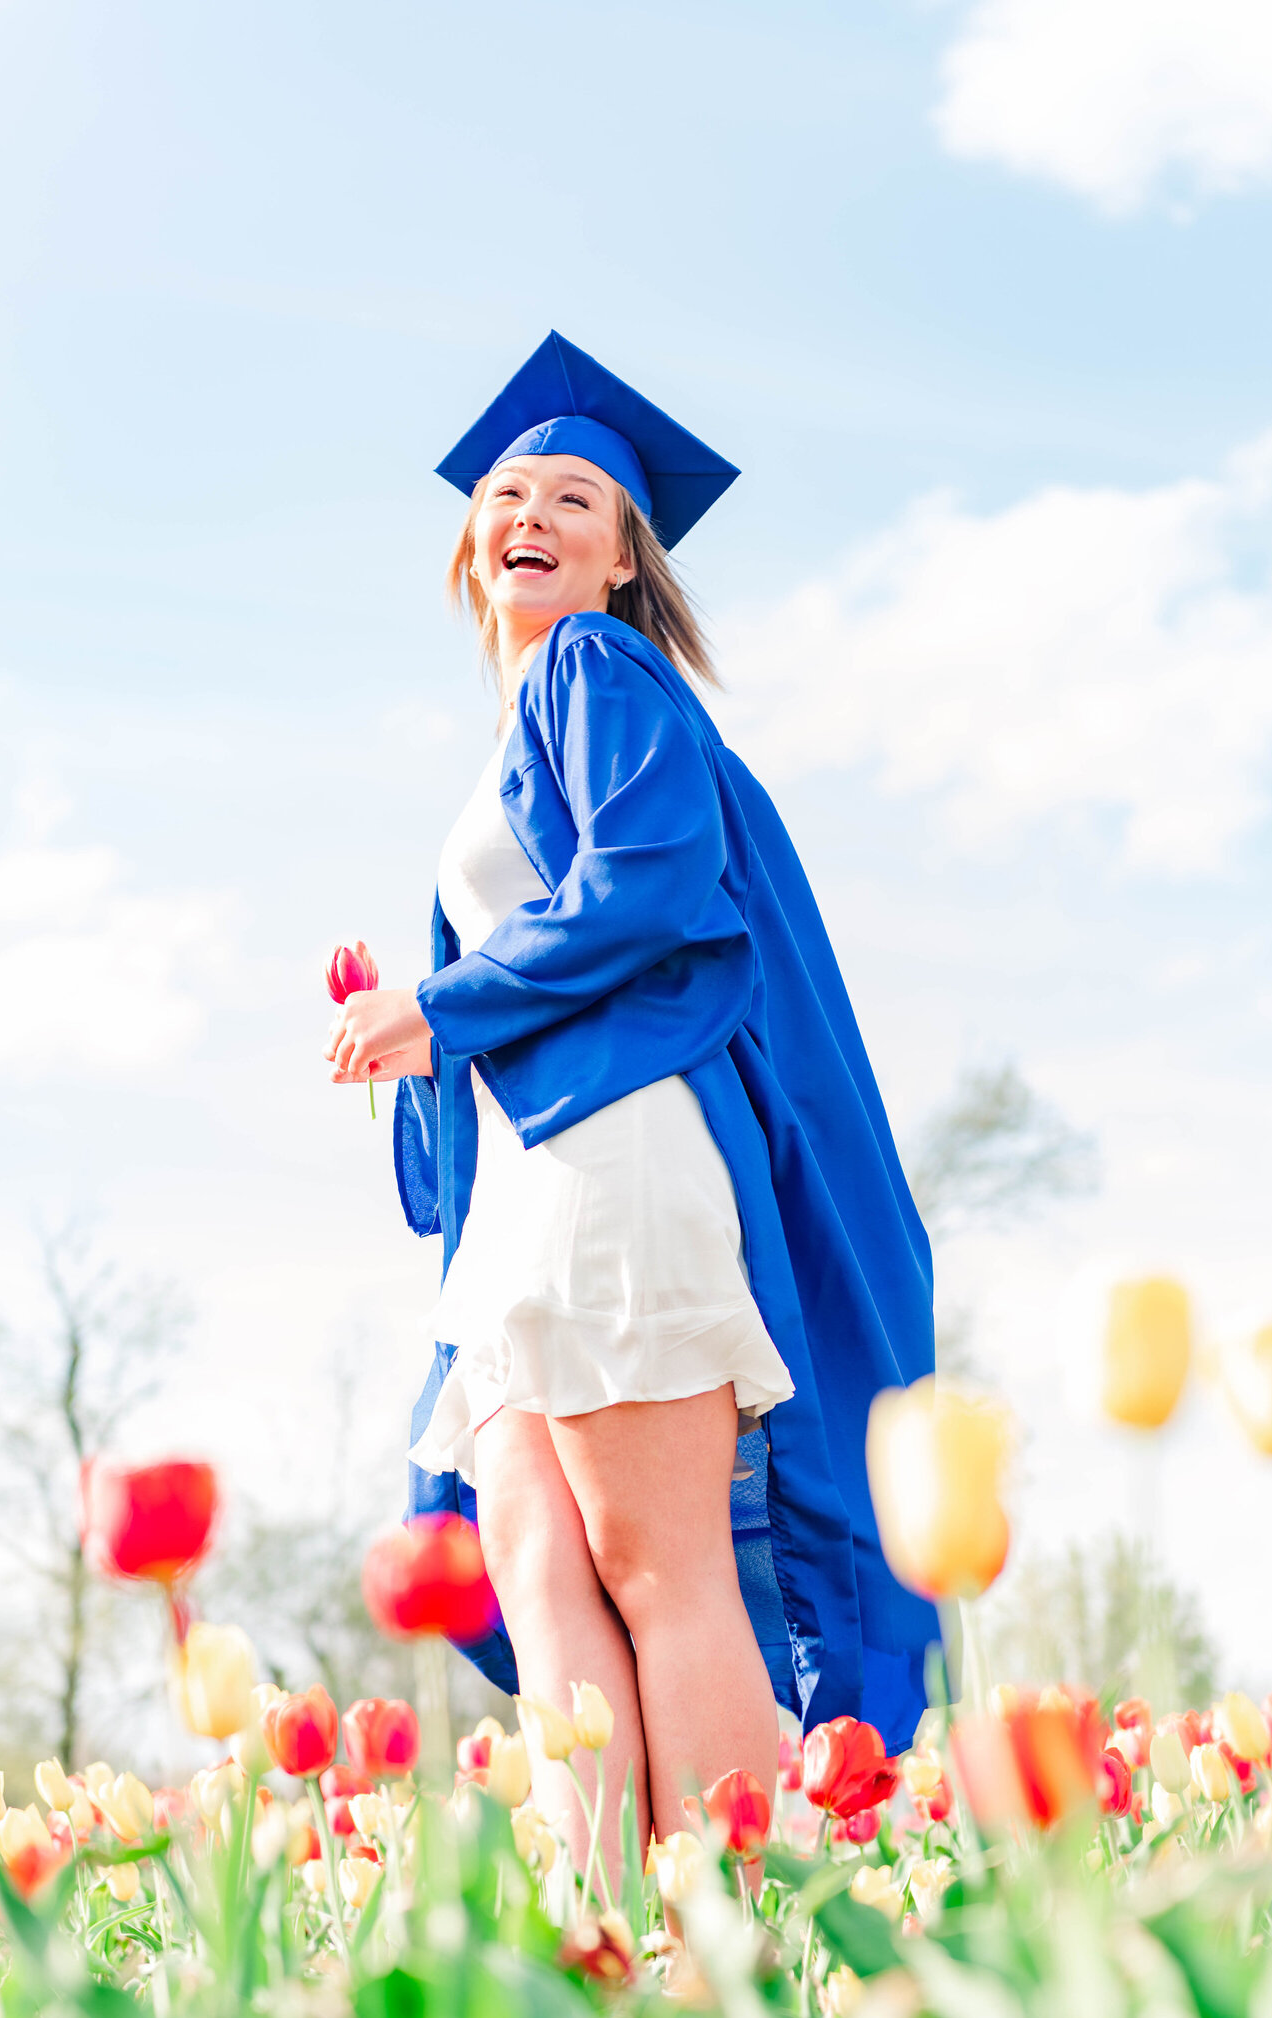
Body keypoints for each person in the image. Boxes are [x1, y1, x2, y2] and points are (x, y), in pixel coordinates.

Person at [325, 331, 937, 1869]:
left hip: (620, 1161)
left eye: (578, 499)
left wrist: (444, 1002)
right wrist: (418, 1034)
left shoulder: (598, 667)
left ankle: (735, 1937)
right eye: (510, 492)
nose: (532, 509)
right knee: (539, 1566)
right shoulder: (519, 716)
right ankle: (600, 1933)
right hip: (535, 1180)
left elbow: (653, 889)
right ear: (474, 547)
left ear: (619, 562)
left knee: (661, 1566)